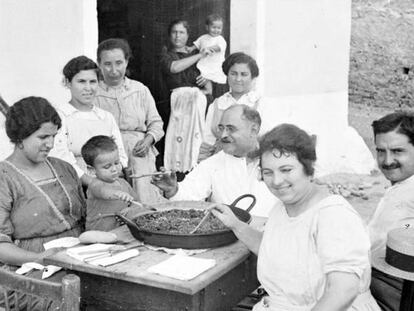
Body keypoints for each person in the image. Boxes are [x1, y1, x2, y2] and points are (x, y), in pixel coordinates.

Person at [211, 123, 380, 310]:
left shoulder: (333, 215)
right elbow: (275, 250)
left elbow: (344, 289)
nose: (276, 181)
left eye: (286, 170)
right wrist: (235, 224)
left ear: (309, 168)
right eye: (268, 172)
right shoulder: (282, 208)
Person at [0, 97, 85, 309]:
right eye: (43, 137)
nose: (50, 144)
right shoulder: (4, 177)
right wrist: (40, 258)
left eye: (54, 136)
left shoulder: (65, 168)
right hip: (28, 271)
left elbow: (87, 220)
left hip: (78, 260)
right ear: (20, 137)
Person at [152, 105, 276, 217]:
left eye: (231, 129)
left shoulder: (276, 159)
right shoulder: (213, 163)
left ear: (253, 130)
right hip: (230, 235)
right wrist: (173, 190)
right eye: (221, 128)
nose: (222, 136)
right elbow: (190, 195)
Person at [95, 38, 164, 204]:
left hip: (138, 149)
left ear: (126, 62)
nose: (113, 70)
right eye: (107, 64)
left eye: (119, 63)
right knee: (115, 197)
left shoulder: (139, 90)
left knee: (144, 193)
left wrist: (148, 141)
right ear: (99, 64)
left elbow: (156, 123)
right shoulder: (94, 93)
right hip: (108, 152)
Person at [49, 55, 128, 187]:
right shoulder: (60, 116)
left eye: (92, 82)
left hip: (109, 184)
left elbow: (120, 155)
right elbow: (60, 157)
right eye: (81, 82)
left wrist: (109, 180)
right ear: (68, 83)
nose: (88, 88)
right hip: (73, 185)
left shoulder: (106, 117)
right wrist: (91, 182)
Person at [368, 111, 414, 311]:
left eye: (397, 151)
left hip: (397, 286)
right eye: (381, 151)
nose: (387, 161)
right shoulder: (401, 187)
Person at [159, 19, 212, 174]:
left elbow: (208, 88)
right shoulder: (166, 55)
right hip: (175, 105)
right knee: (176, 144)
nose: (177, 36)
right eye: (174, 32)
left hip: (196, 103)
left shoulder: (198, 57)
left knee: (195, 143)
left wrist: (206, 81)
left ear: (188, 35)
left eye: (181, 32)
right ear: (169, 35)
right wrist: (200, 55)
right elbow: (174, 68)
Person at [200, 52, 262, 161]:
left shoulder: (260, 103)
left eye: (244, 74)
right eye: (233, 73)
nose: (238, 79)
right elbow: (207, 142)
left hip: (251, 164)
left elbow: (266, 141)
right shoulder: (216, 105)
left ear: (252, 77)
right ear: (227, 75)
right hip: (221, 165)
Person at [191, 13, 227, 97]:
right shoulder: (203, 37)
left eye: (219, 28)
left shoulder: (220, 39)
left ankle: (209, 90)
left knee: (211, 76)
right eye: (214, 27)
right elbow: (197, 44)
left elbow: (219, 47)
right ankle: (208, 89)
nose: (216, 30)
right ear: (207, 27)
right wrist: (191, 48)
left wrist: (210, 48)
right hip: (205, 62)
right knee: (203, 74)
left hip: (215, 64)